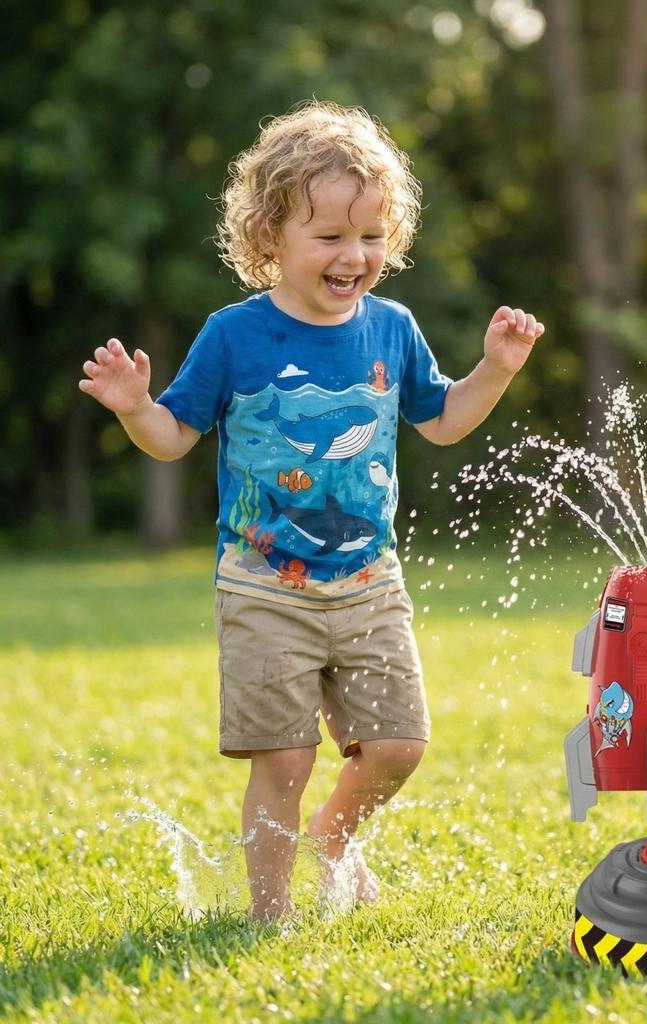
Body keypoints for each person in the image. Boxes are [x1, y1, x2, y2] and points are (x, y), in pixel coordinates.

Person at [79, 101, 543, 920]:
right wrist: (131, 406)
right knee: (285, 758)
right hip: (263, 589)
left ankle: (335, 835)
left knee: (399, 745)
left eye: (369, 237)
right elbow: (174, 436)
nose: (352, 256)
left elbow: (440, 420)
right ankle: (269, 913)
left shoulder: (392, 328)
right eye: (328, 237)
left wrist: (495, 371)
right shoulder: (234, 336)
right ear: (270, 240)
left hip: (369, 583)